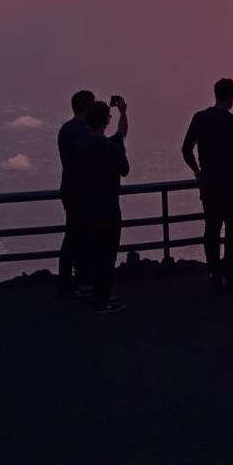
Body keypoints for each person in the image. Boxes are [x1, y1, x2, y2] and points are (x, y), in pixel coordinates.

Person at [181, 77, 233, 290]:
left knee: (211, 228)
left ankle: (214, 272)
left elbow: (186, 149)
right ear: (231, 97)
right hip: (232, 184)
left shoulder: (200, 118)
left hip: (209, 184)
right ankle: (231, 272)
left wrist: (197, 171)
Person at [76, 97, 130, 314]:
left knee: (93, 253)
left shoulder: (80, 148)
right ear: (107, 120)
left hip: (87, 208)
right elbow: (125, 169)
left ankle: (96, 294)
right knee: (107, 255)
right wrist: (124, 113)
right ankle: (103, 299)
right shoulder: (112, 148)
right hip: (108, 208)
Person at [57, 89, 95, 295]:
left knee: (72, 234)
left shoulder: (65, 129)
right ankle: (81, 279)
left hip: (69, 188)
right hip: (83, 191)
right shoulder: (84, 131)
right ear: (88, 107)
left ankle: (66, 279)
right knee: (81, 236)